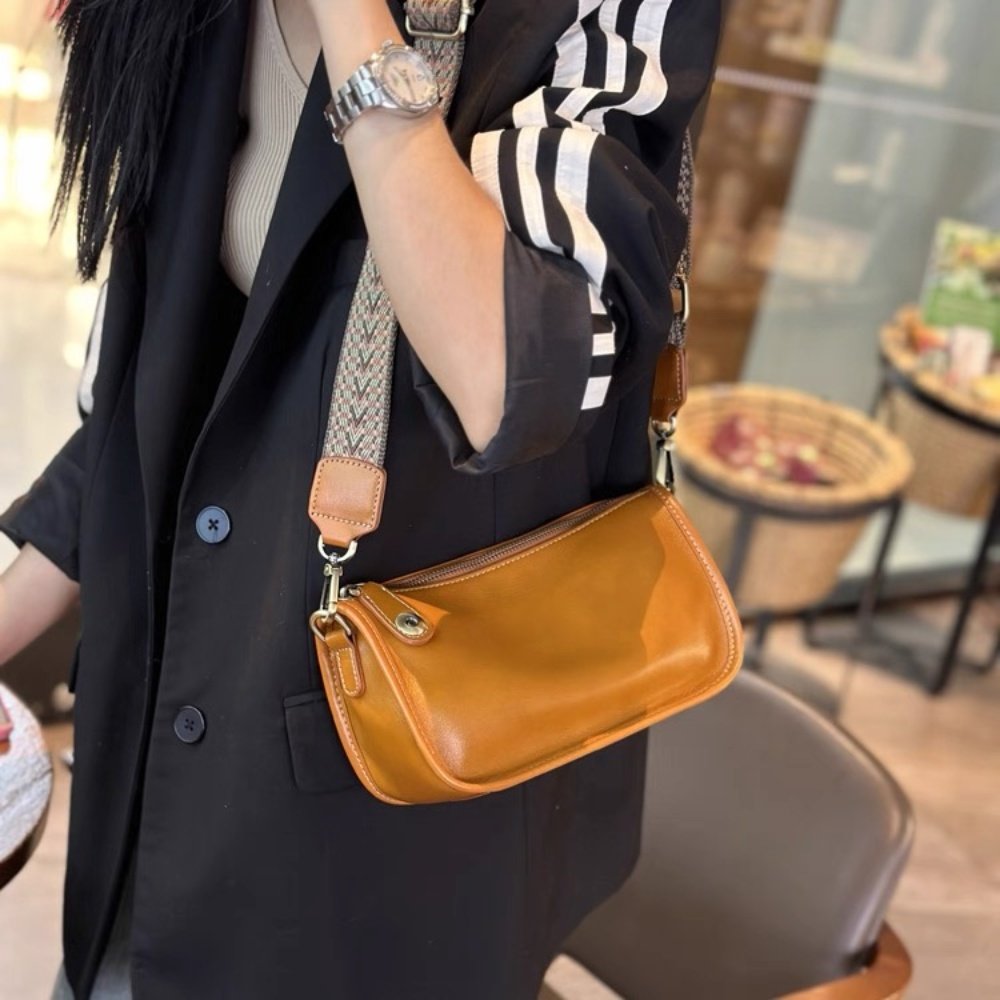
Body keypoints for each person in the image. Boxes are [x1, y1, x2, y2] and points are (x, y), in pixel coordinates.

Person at [0, 0, 722, 996]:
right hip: (165, 780)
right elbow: (147, 404)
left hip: (393, 821)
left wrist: (356, 23)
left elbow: (512, 378)